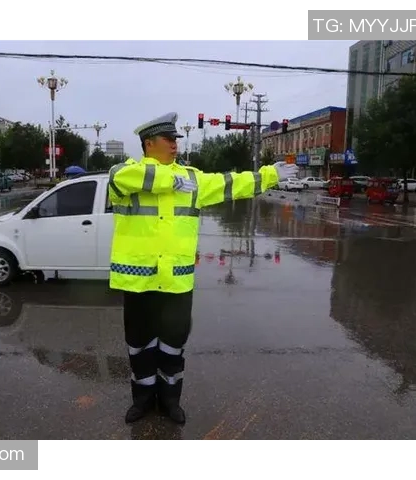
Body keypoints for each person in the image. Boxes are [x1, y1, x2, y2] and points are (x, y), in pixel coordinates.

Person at [108, 112, 298, 424]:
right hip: (138, 283)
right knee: (139, 346)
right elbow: (120, 178)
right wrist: (171, 180)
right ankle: (142, 401)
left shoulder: (193, 180)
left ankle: (170, 401)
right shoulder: (126, 173)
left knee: (173, 347)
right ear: (148, 143)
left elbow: (230, 183)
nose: (175, 144)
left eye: (176, 139)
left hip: (176, 284)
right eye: (168, 139)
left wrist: (269, 175)